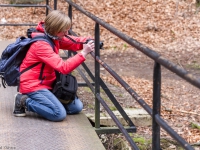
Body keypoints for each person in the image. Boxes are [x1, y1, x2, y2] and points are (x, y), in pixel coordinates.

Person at [13, 10, 95, 121]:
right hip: (33, 85)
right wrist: (84, 53)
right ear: (55, 29)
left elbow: (71, 41)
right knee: (59, 114)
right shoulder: (41, 45)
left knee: (76, 107)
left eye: (67, 30)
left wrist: (88, 41)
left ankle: (49, 104)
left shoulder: (53, 36)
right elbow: (64, 67)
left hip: (48, 83)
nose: (66, 34)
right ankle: (24, 101)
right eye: (64, 31)